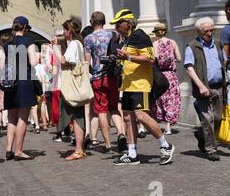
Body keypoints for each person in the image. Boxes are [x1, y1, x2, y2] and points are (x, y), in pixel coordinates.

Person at [110, 9, 175, 166]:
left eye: (119, 24)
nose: (117, 27)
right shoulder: (125, 39)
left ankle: (165, 145)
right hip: (128, 84)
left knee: (141, 116)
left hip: (141, 84)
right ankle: (132, 153)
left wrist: (128, 57)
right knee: (127, 117)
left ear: (128, 23)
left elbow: (150, 59)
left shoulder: (140, 35)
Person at [83, 11, 127, 153]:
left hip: (98, 77)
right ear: (104, 21)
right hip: (113, 76)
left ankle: (107, 144)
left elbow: (86, 61)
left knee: (102, 110)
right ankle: (121, 134)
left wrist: (91, 70)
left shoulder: (89, 38)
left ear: (91, 21)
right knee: (114, 107)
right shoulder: (114, 35)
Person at [186, 17, 225, 161]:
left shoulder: (218, 44)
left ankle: (201, 134)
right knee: (208, 120)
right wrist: (201, 85)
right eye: (206, 31)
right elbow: (189, 68)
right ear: (199, 31)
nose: (209, 33)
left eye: (211, 30)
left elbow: (224, 63)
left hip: (219, 87)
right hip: (203, 89)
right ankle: (210, 149)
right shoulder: (192, 46)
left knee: (217, 119)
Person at [3, 16, 39, 161]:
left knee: (11, 118)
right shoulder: (28, 41)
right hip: (24, 82)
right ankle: (18, 150)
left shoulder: (8, 43)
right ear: (25, 27)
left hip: (10, 82)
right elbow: (33, 62)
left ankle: (8, 148)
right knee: (22, 117)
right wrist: (38, 55)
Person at [56, 19, 88, 161]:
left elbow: (64, 61)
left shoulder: (74, 44)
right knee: (77, 115)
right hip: (76, 83)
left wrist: (56, 48)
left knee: (76, 116)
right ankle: (79, 149)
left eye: (65, 29)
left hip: (73, 85)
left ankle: (79, 149)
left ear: (69, 31)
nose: (63, 32)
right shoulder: (77, 44)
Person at [151, 23, 182, 135]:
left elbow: (153, 60)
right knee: (172, 100)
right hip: (172, 76)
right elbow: (179, 58)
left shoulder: (154, 44)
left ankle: (158, 125)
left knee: (160, 100)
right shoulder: (172, 42)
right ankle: (168, 127)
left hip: (160, 76)